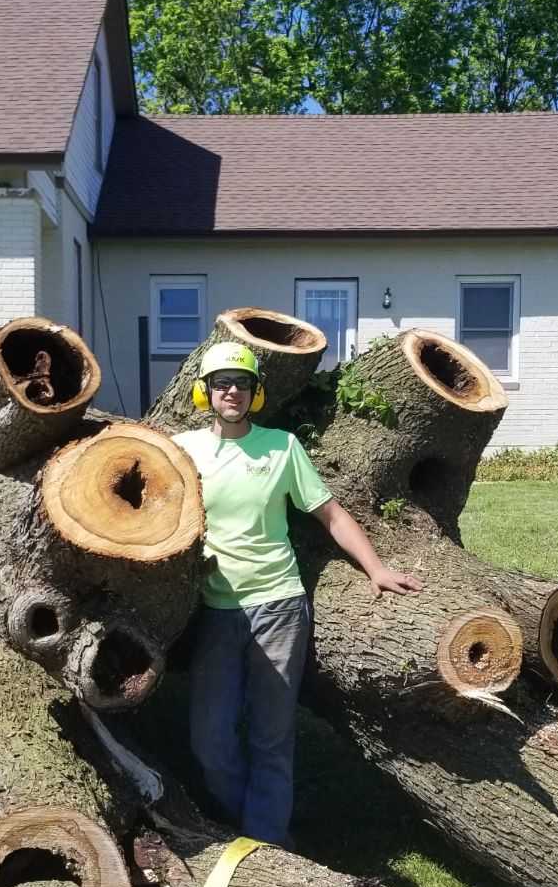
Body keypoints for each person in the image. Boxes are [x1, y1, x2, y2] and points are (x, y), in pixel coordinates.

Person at [174, 341, 422, 846]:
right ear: (205, 392)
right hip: (215, 610)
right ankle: (242, 817)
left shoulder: (282, 447)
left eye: (242, 384)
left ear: (255, 393)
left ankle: (267, 841)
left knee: (271, 735)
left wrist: (375, 568)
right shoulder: (182, 450)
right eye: (221, 383)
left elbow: (330, 514)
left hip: (279, 605)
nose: (232, 392)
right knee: (210, 739)